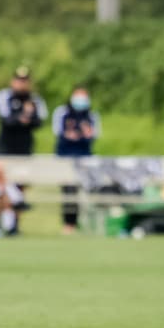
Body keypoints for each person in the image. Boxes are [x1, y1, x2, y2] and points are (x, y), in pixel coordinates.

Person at [0, 66, 46, 235]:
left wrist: (24, 118)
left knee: (20, 187)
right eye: (19, 80)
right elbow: (7, 120)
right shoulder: (5, 96)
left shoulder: (35, 99)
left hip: (25, 149)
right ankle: (2, 223)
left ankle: (14, 226)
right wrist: (23, 117)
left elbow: (39, 121)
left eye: (25, 81)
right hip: (6, 148)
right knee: (5, 186)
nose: (21, 84)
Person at [53, 85, 101, 234]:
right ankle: (69, 224)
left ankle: (86, 224)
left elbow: (94, 135)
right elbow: (59, 132)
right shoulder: (62, 112)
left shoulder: (92, 115)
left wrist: (86, 134)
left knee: (88, 190)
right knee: (68, 191)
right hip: (65, 156)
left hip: (84, 157)